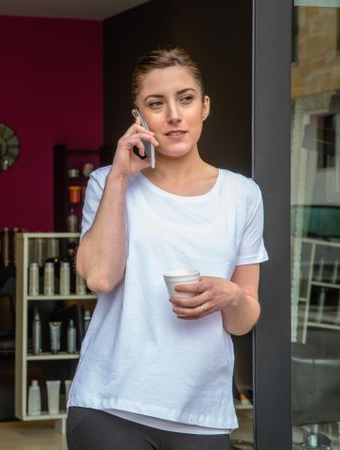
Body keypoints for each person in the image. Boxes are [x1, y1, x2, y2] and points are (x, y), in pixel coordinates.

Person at [66, 47, 269, 450]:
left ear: (205, 107)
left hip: (202, 413)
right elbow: (101, 277)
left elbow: (242, 320)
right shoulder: (108, 183)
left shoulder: (242, 195)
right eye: (156, 104)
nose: (174, 115)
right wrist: (121, 177)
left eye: (186, 98)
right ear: (138, 117)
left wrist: (230, 295)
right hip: (110, 406)